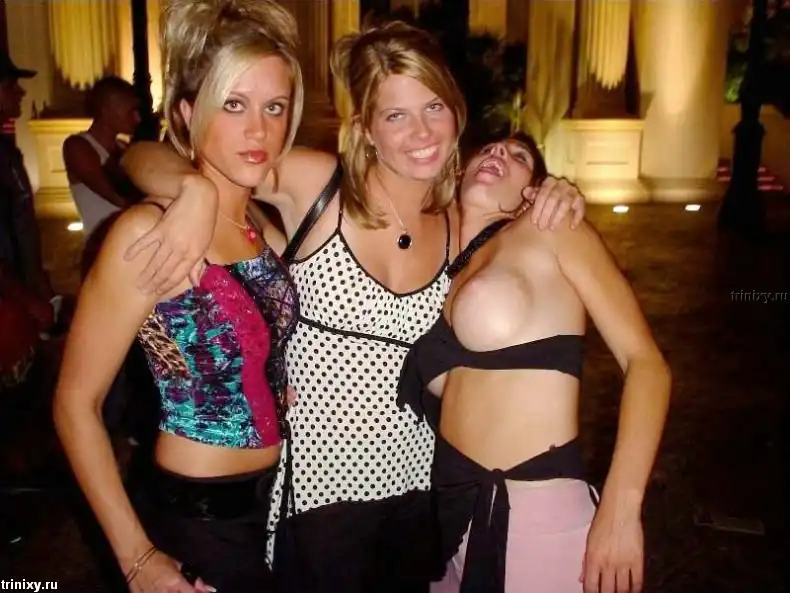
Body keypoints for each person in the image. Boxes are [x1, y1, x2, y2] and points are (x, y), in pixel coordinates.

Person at [120, 20, 586, 593]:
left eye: (433, 107)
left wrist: (558, 190)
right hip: (316, 497)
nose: (421, 132)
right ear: (365, 129)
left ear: (456, 112)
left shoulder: (461, 218)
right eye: (395, 115)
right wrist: (193, 190)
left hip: (419, 494)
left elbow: (523, 227)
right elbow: (148, 154)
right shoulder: (320, 186)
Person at [52, 1, 303, 591]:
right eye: (233, 105)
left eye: (274, 107)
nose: (258, 130)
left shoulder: (260, 226)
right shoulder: (149, 230)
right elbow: (74, 403)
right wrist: (137, 559)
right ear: (189, 113)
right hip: (196, 517)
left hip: (268, 502)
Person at [398, 133, 671, 593]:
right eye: (489, 149)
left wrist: (622, 509)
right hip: (452, 519)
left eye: (519, 156)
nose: (498, 153)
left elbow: (646, 363)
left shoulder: (550, 228)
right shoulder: (445, 261)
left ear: (532, 191)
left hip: (536, 517)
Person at [63, 75, 142, 239]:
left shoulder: (123, 147)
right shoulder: (77, 146)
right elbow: (117, 196)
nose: (137, 118)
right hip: (103, 245)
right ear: (107, 111)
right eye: (130, 111)